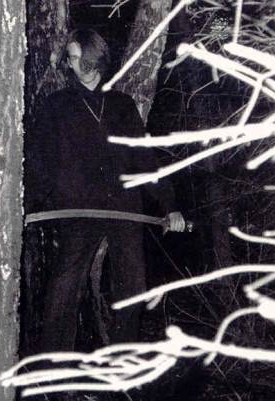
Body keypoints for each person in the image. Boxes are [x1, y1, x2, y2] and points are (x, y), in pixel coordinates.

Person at [24, 29, 185, 353]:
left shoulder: (122, 106)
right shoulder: (57, 106)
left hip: (124, 209)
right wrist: (26, 205)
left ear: (94, 58)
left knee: (133, 288)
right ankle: (53, 364)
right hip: (78, 210)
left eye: (78, 57)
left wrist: (169, 206)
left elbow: (144, 159)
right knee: (63, 290)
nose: (73, 64)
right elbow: (41, 162)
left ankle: (121, 361)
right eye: (71, 58)